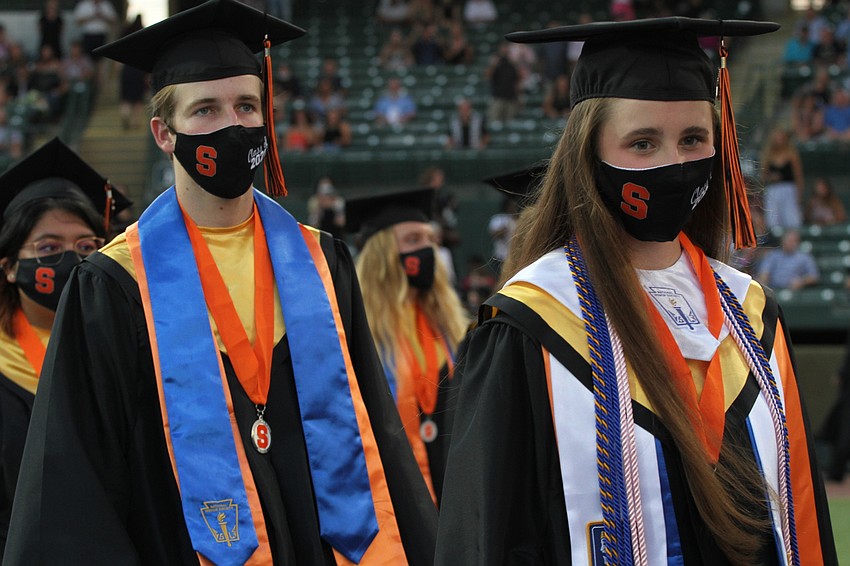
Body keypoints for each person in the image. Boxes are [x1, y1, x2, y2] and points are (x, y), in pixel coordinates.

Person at [4, 2, 437, 564]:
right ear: (164, 133)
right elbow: (80, 479)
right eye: (205, 110)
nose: (232, 126)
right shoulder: (112, 285)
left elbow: (376, 431)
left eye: (247, 106)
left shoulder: (322, 261)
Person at [435, 17, 837, 565]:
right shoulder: (530, 327)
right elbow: (488, 541)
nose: (673, 165)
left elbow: (803, 519)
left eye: (693, 139)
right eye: (642, 143)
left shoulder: (754, 318)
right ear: (587, 156)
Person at [0, 137, 130, 557]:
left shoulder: (129, 350)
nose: (72, 262)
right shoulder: (5, 363)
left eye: (87, 247)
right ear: (9, 266)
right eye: (48, 248)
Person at [347, 188, 468, 506]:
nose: (428, 250)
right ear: (383, 256)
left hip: (454, 486)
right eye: (414, 240)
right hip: (396, 495)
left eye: (431, 240)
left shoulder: (450, 327)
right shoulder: (358, 334)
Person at [761, 127, 804, 230]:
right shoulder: (768, 155)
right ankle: (776, 243)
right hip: (773, 189)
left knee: (792, 220)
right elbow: (763, 175)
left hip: (789, 189)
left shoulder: (791, 154)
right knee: (773, 221)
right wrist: (772, 177)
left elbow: (798, 175)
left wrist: (799, 194)